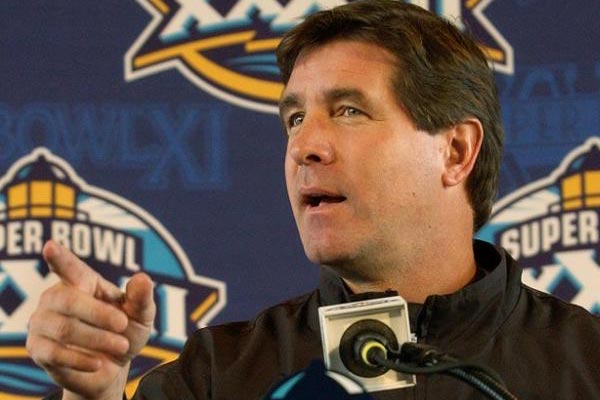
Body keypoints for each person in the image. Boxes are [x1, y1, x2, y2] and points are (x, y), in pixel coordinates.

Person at [27, 0, 600, 399]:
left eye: (348, 110)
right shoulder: (217, 376)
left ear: (455, 151)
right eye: (295, 118)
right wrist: (93, 394)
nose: (303, 146)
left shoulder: (588, 364)